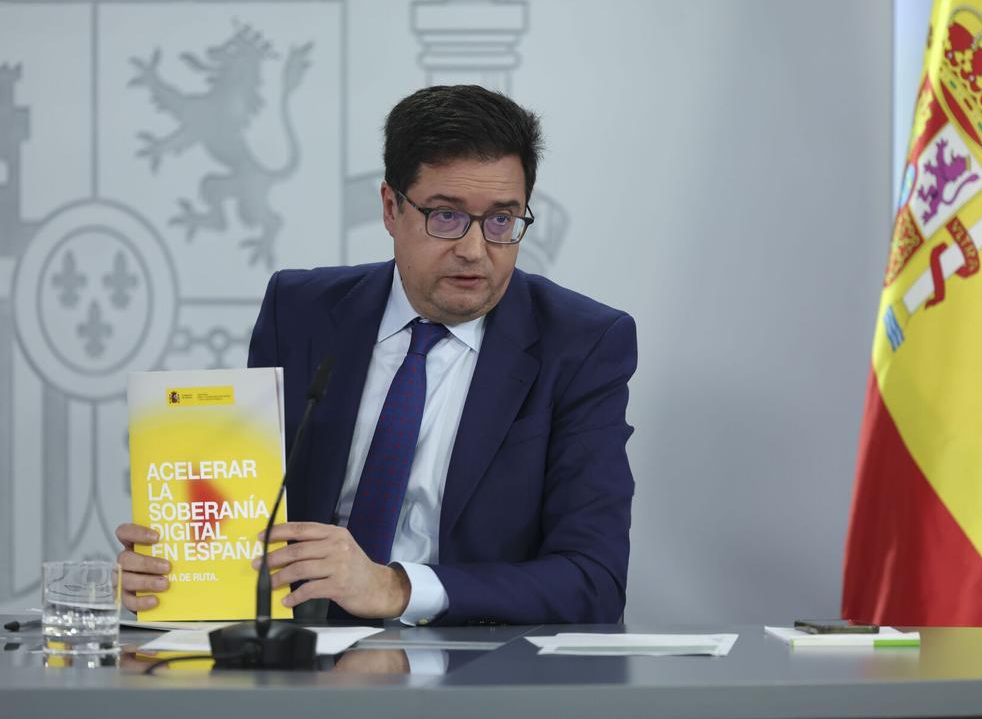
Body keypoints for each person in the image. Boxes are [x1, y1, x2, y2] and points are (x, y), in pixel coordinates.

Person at [116, 85, 637, 625]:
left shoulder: (581, 344)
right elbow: (252, 508)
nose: (474, 249)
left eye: (502, 220)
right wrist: (180, 564)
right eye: (446, 216)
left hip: (477, 674)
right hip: (304, 663)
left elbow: (593, 579)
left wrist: (397, 588)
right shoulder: (298, 313)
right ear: (391, 208)